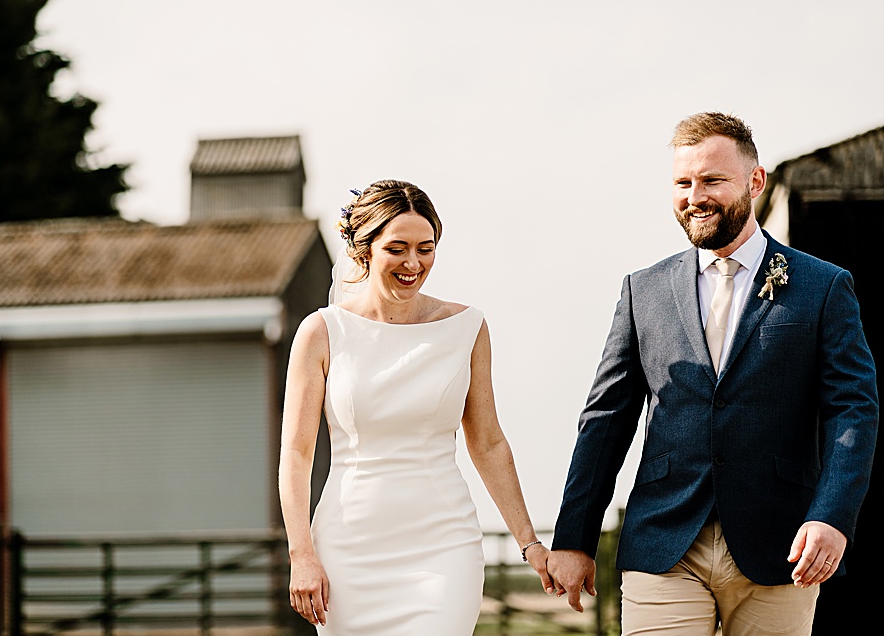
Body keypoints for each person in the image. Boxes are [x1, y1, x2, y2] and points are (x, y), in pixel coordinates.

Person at [548, 112, 879, 634]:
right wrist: (573, 537)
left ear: (754, 181)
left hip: (782, 546)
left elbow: (853, 410)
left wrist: (832, 515)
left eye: (712, 180)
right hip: (663, 541)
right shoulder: (644, 291)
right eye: (683, 182)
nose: (695, 196)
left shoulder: (823, 286)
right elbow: (606, 419)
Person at [278, 180, 551, 633]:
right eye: (397, 248)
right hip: (349, 548)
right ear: (364, 250)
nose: (413, 263)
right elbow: (297, 452)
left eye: (426, 248)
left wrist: (530, 544)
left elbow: (488, 442)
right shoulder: (321, 331)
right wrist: (301, 554)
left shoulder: (467, 328)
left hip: (443, 545)